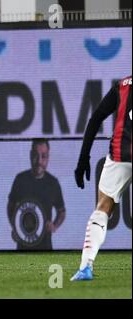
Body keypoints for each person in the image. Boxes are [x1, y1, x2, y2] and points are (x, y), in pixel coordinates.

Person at [71, 76, 132, 281]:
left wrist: (83, 159)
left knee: (103, 208)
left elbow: (96, 118)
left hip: (120, 155)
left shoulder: (123, 86)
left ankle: (85, 266)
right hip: (120, 154)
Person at [7, 138, 66, 250]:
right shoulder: (20, 180)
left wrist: (54, 226)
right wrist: (14, 227)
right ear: (30, 155)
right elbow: (10, 206)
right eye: (35, 155)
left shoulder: (53, 183)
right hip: (23, 247)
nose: (39, 161)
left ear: (48, 157)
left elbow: (61, 211)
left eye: (43, 156)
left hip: (45, 247)